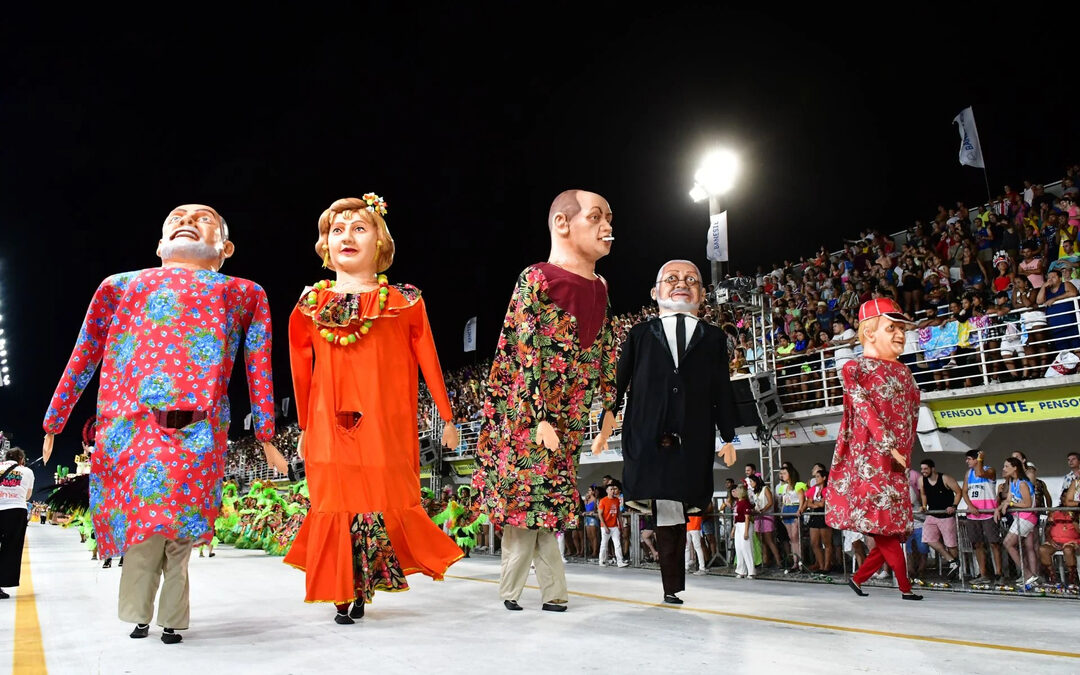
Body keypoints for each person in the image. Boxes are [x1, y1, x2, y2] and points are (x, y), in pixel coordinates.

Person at [42, 204, 282, 644]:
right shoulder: (120, 286)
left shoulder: (244, 292)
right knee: (144, 529)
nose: (188, 219)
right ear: (159, 244)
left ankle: (171, 618)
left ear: (225, 247)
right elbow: (85, 351)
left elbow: (258, 365)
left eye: (204, 216)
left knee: (181, 535)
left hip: (199, 429)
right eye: (177, 216)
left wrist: (266, 433)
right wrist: (55, 418)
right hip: (134, 427)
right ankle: (138, 614)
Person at [283, 195, 463, 625]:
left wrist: (448, 415)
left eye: (359, 228)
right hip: (329, 423)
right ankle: (343, 590)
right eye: (337, 229)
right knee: (337, 501)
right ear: (325, 244)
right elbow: (299, 371)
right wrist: (305, 427)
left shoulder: (403, 301)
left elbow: (430, 360)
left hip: (385, 422)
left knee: (375, 500)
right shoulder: (310, 305)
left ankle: (359, 587)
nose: (347, 236)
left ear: (380, 241)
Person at [472, 190, 618, 613]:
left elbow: (606, 346)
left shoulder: (601, 287)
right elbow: (524, 347)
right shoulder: (537, 278)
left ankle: (545, 593)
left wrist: (608, 409)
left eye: (609, 217)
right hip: (529, 418)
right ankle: (521, 591)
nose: (608, 226)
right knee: (526, 513)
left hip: (567, 421)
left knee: (547, 512)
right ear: (562, 223)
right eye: (596, 217)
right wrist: (537, 415)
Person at [600, 258, 737, 600]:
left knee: (676, 507)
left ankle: (673, 585)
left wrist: (729, 435)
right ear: (654, 292)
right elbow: (618, 381)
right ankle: (671, 585)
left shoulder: (715, 338)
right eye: (672, 278)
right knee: (664, 507)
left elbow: (722, 388)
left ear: (703, 294)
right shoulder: (640, 333)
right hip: (648, 430)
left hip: (692, 433)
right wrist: (606, 421)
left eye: (691, 279)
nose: (682, 283)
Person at [826, 298, 924, 600]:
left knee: (891, 530)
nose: (900, 335)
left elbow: (912, 414)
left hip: (896, 460)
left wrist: (904, 451)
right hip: (871, 459)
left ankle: (857, 579)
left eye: (902, 329)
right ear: (869, 332)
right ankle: (905, 588)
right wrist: (888, 444)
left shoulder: (904, 372)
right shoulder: (855, 368)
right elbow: (864, 409)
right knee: (886, 530)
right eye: (891, 327)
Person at [961, 450, 1004, 584]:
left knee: (994, 543)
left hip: (989, 513)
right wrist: (970, 506)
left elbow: (980, 473)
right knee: (977, 544)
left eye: (969, 459)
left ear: (976, 459)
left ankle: (999, 573)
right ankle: (983, 573)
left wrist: (981, 460)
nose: (967, 461)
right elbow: (964, 492)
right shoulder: (968, 474)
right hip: (974, 515)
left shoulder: (989, 470)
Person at [997, 457, 1040, 586]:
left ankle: (1028, 575)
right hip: (1019, 517)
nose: (1004, 469)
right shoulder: (1012, 482)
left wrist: (1010, 503)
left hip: (1027, 517)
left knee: (1008, 543)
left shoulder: (1022, 483)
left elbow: (1027, 503)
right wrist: (999, 508)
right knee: (1024, 547)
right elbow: (1008, 498)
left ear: (1015, 467)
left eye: (1006, 466)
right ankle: (1030, 576)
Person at [917, 459, 962, 578]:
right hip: (932, 514)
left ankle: (957, 569)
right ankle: (952, 561)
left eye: (925, 469)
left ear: (933, 468)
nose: (923, 471)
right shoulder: (922, 480)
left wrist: (953, 506)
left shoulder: (945, 478)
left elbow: (958, 492)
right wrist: (923, 506)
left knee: (950, 543)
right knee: (928, 539)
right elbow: (923, 494)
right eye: (922, 469)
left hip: (946, 516)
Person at [0, 448, 35, 600]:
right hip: (15, 511)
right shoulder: (27, 471)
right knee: (10, 548)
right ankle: (2, 582)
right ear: (21, 459)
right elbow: (27, 495)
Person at [597, 483, 627, 568]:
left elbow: (618, 514)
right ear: (607, 491)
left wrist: (620, 525)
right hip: (605, 526)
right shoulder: (603, 501)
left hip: (614, 526)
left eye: (613, 489)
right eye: (611, 489)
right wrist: (605, 526)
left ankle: (620, 561)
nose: (613, 491)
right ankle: (601, 560)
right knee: (604, 544)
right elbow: (600, 514)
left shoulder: (617, 500)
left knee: (617, 544)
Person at [732, 484, 755, 579]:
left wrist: (746, 531)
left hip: (744, 525)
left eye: (736, 490)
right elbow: (735, 517)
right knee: (739, 548)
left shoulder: (745, 503)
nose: (735, 492)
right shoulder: (737, 502)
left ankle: (751, 571)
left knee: (746, 548)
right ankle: (741, 570)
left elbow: (747, 517)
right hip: (738, 525)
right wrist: (733, 529)